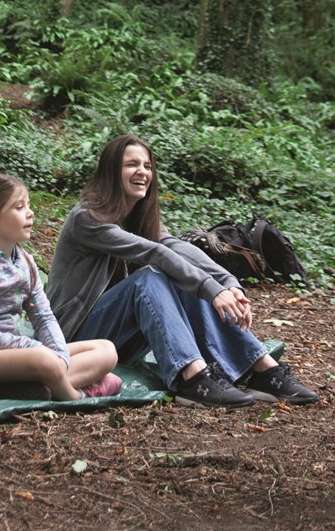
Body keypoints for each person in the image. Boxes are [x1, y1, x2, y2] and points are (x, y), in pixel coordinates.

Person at [46, 133, 318, 409]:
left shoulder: (136, 216)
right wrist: (212, 290)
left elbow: (173, 246)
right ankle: (191, 378)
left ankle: (261, 369)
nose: (142, 172)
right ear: (111, 172)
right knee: (150, 278)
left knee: (178, 275)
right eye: (131, 165)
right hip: (77, 341)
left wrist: (227, 283)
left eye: (147, 166)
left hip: (117, 340)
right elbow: (154, 253)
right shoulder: (87, 218)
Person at [0, 174, 121, 401]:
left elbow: (43, 316)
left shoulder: (24, 261)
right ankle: (74, 394)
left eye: (29, 205)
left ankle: (39, 386)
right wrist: (31, 347)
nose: (30, 212)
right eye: (19, 206)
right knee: (43, 361)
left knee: (107, 350)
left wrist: (59, 354)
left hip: (19, 357)